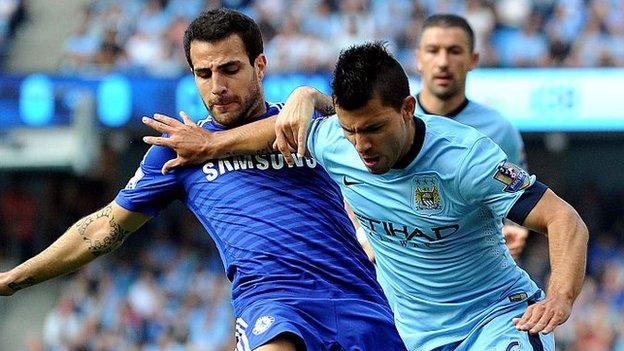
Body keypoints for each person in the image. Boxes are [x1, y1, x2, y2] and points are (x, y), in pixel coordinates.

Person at [0, 10, 406, 351]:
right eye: (204, 73)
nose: (218, 86)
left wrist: (310, 95)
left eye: (230, 69)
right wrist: (15, 279)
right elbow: (104, 226)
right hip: (275, 305)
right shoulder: (178, 151)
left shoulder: (301, 124)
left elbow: (364, 124)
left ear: (259, 65)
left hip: (360, 299)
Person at [147, 42, 588, 351]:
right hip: (414, 337)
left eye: (374, 128)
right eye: (350, 129)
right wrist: (210, 146)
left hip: (496, 320)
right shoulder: (336, 141)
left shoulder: (466, 159)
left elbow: (564, 219)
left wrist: (560, 297)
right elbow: (278, 130)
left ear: (407, 108)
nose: (361, 145)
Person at [414, 14, 530, 259]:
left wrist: (515, 229)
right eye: (433, 50)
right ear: (418, 59)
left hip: (476, 270)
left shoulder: (499, 130)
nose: (443, 62)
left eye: (454, 51)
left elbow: (517, 197)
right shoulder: (394, 122)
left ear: (473, 59)